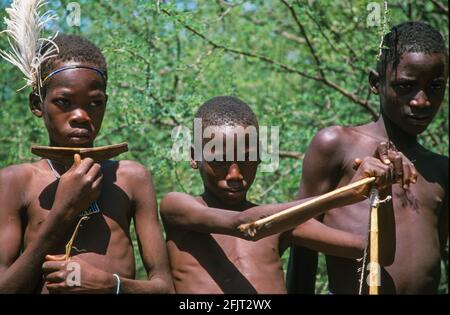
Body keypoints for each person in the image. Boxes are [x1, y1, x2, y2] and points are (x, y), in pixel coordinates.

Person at [160, 96, 415, 293]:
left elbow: (379, 252)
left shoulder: (283, 224)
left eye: (246, 159)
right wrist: (347, 194)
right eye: (220, 160)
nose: (235, 174)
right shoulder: (178, 207)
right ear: (195, 156)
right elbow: (246, 226)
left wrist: (382, 186)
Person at [0, 31, 173, 293]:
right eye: (64, 102)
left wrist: (112, 285)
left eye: (94, 103)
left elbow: (165, 287)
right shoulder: (17, 181)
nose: (81, 115)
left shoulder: (131, 178)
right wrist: (63, 212)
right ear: (37, 104)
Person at [287, 21, 448, 294]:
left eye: (435, 87)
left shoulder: (441, 170)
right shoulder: (337, 145)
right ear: (376, 83)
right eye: (406, 86)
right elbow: (302, 241)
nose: (422, 101)